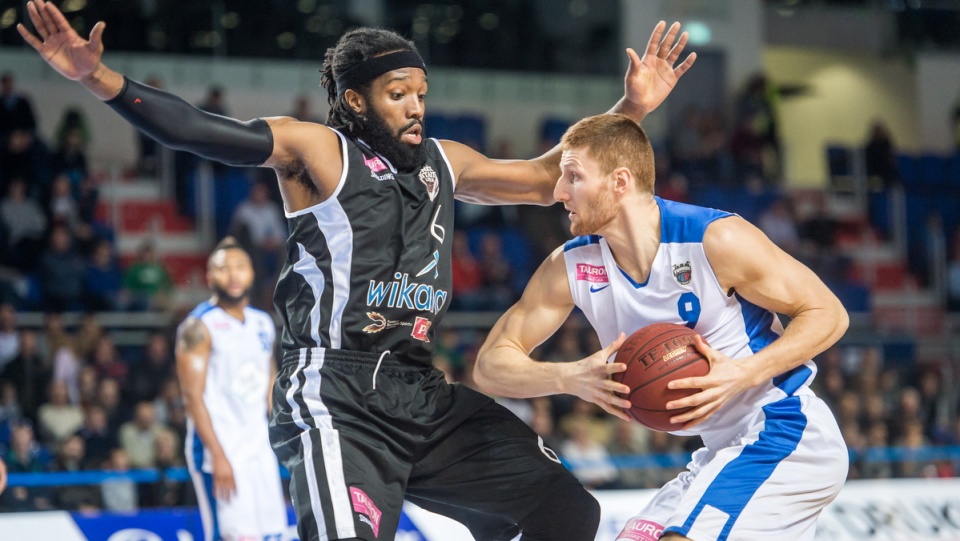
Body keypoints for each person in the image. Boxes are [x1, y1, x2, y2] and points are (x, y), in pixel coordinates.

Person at [19, 3, 695, 538]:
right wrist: (97, 80)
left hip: (418, 389)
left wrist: (630, 107)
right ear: (357, 101)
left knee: (566, 509)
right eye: (398, 92)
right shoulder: (318, 149)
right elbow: (203, 132)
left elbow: (552, 175)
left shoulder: (445, 160)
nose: (416, 105)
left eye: (421, 92)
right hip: (334, 391)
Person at [475, 113, 849, 541]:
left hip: (784, 430)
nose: (558, 192)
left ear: (620, 181)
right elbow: (490, 365)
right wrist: (569, 375)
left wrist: (743, 372)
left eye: (573, 176)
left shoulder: (713, 239)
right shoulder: (571, 265)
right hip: (718, 451)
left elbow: (828, 313)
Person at [175, 238, 286, 541]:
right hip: (219, 451)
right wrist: (218, 456)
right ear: (210, 277)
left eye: (240, 267)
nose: (233, 275)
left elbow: (269, 382)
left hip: (259, 449)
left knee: (272, 534)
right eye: (224, 269)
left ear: (251, 273)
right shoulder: (197, 327)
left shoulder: (263, 323)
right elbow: (191, 397)